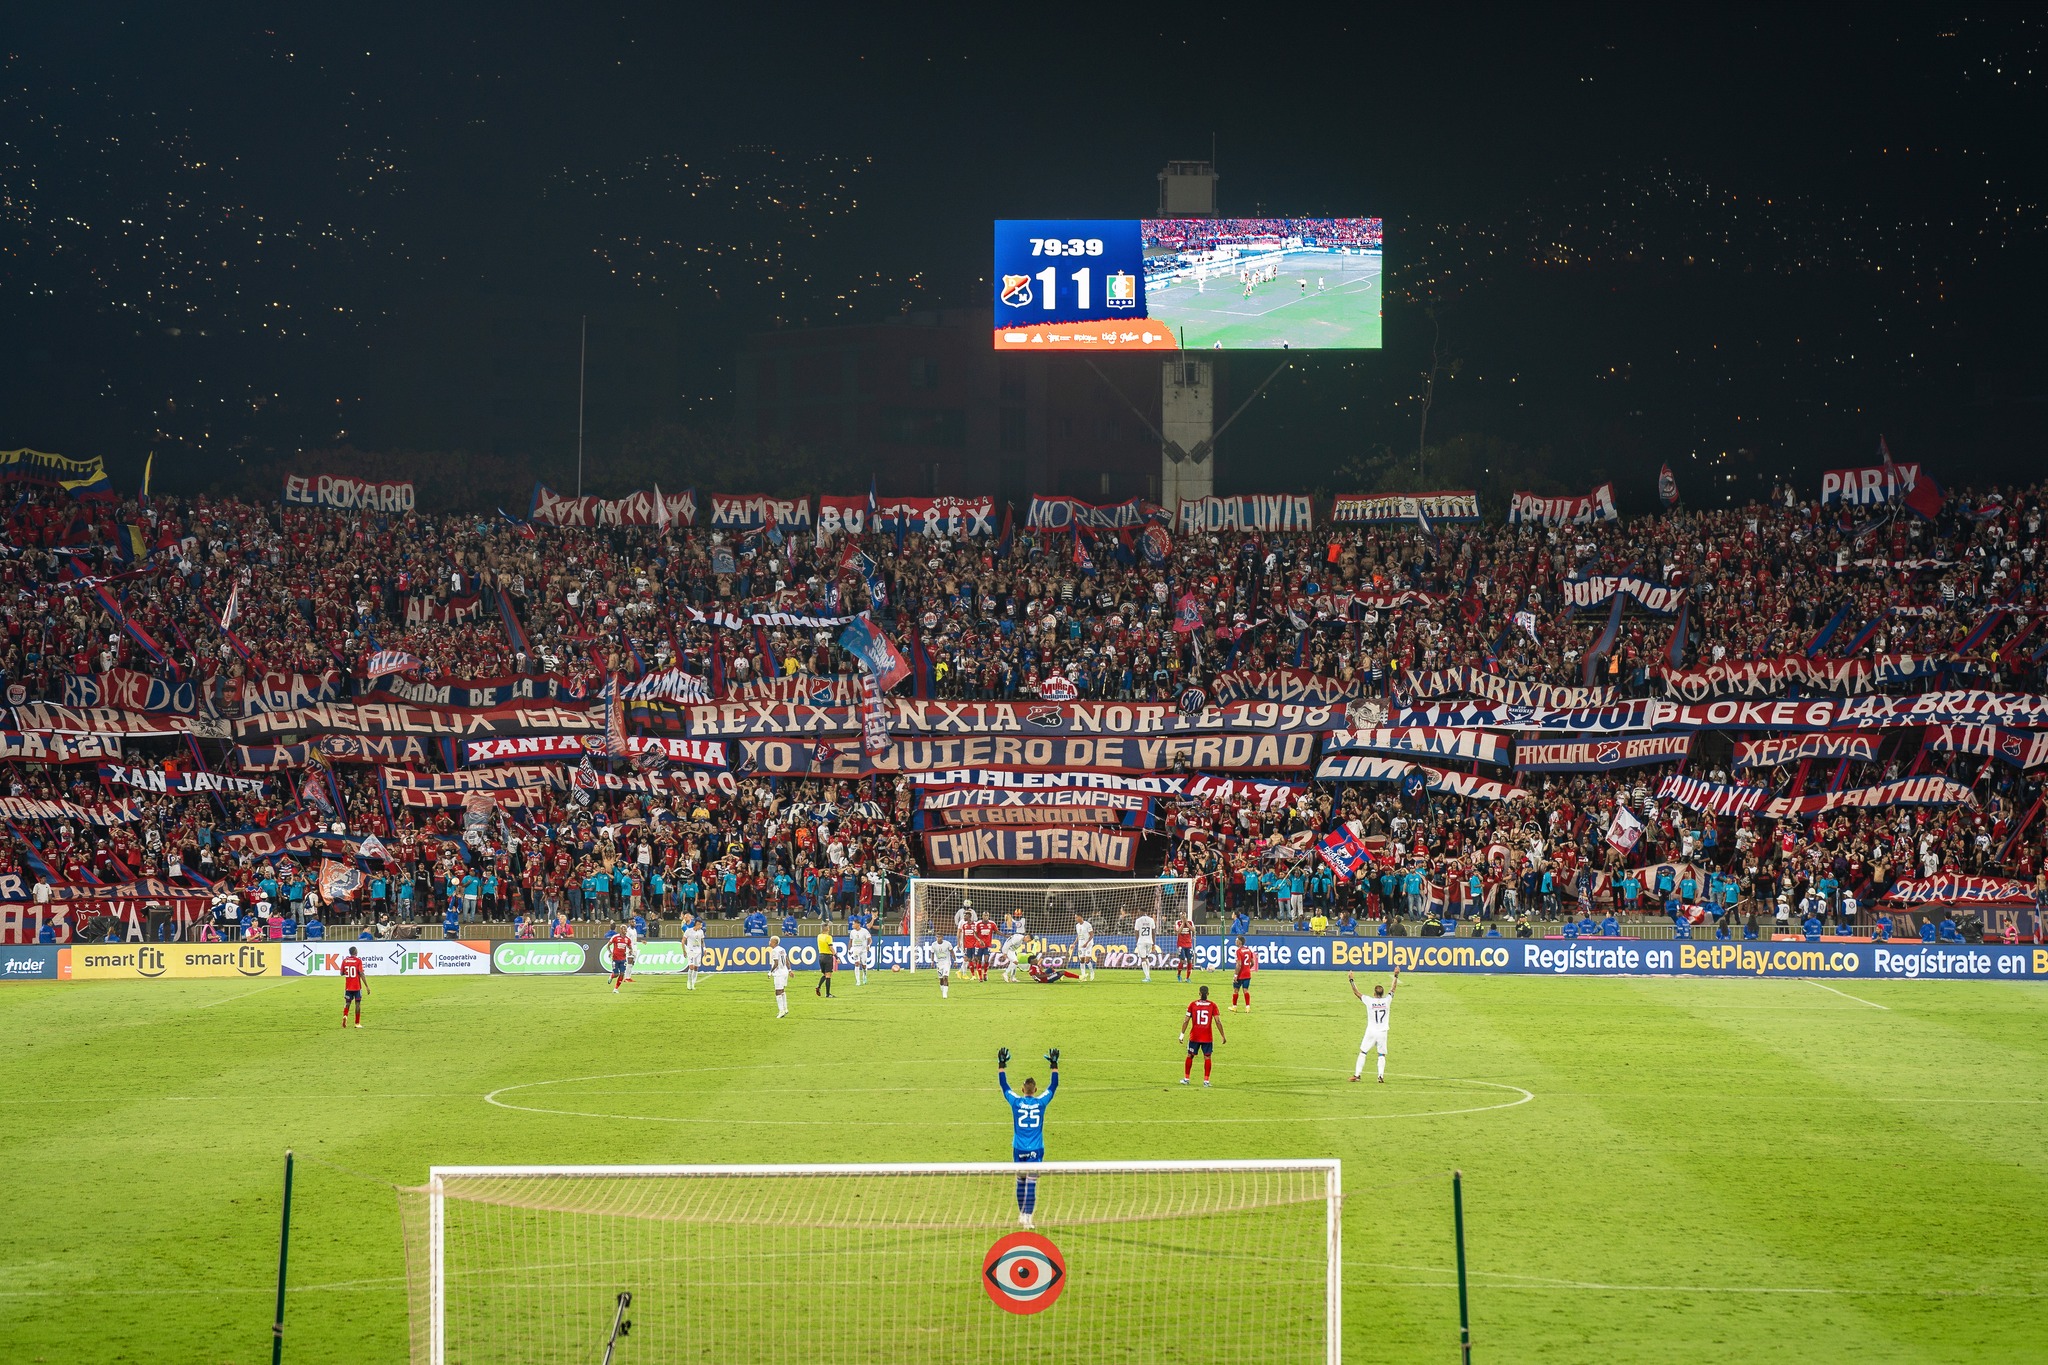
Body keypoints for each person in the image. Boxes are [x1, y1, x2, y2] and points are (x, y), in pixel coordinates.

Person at [997, 1045, 1058, 1229]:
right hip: (1036, 1149)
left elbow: (1004, 1086)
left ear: (1022, 1089)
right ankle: (1028, 1217)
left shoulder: (1015, 1101)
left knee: (1020, 1180)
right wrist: (1054, 1065)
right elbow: (1053, 1086)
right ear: (1035, 1089)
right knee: (1031, 1182)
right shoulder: (1041, 1102)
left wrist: (1002, 1064)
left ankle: (1021, 1214)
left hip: (1018, 1148)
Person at [1349, 967, 1399, 1083]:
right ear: (1382, 993)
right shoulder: (1387, 1001)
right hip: (1382, 1032)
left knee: (1363, 1052)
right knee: (1381, 1054)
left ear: (1374, 993)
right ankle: (1380, 1076)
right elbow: (1393, 989)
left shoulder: (1369, 1001)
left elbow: (1357, 993)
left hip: (1371, 1031)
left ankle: (1357, 1075)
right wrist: (1396, 976)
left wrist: (1351, 980)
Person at [1180, 984, 1225, 1087]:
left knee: (1190, 1056)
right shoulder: (1213, 1005)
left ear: (1199, 993)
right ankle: (1206, 1081)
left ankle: (1186, 1079)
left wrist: (1182, 1035)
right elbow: (1218, 1021)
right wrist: (1223, 1035)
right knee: (1207, 1058)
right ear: (1208, 994)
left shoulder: (1192, 1004)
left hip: (1194, 1036)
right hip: (1207, 1037)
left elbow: (1186, 1020)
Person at [1230, 935, 1258, 1011]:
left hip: (1240, 974)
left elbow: (1239, 964)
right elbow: (1252, 962)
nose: (1235, 941)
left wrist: (1236, 975)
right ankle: (1247, 1007)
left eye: (1236, 940)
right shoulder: (1248, 950)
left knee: (1236, 990)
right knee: (1245, 990)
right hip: (1247, 974)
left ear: (1240, 942)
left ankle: (1234, 1007)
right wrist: (1247, 968)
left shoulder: (1238, 951)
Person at [340, 946, 366, 1029]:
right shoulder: (358, 961)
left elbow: (341, 973)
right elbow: (361, 973)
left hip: (348, 986)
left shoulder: (345, 961)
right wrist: (367, 986)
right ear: (355, 952)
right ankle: (357, 1023)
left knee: (348, 1002)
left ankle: (345, 1015)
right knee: (357, 1004)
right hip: (357, 986)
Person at [605, 923, 634, 994]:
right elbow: (608, 945)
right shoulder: (615, 937)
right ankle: (612, 976)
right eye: (624, 929)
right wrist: (611, 953)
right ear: (621, 930)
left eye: (626, 929)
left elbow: (630, 948)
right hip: (615, 958)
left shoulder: (627, 940)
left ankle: (615, 989)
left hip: (623, 959)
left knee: (622, 974)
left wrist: (630, 951)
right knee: (616, 974)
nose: (625, 931)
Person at [769, 935, 790, 1018]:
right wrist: (790, 970)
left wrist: (770, 972)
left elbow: (776, 963)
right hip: (785, 972)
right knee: (782, 990)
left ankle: (781, 1011)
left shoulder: (774, 951)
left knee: (778, 992)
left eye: (770, 940)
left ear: (774, 942)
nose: (769, 942)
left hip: (779, 973)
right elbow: (787, 960)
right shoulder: (782, 949)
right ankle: (785, 1008)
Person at [683, 915, 706, 990]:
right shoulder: (688, 931)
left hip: (698, 951)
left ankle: (693, 984)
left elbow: (702, 941)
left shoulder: (701, 932)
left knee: (696, 968)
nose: (701, 926)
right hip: (691, 951)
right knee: (691, 967)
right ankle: (689, 982)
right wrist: (684, 951)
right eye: (700, 925)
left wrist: (704, 949)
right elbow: (683, 941)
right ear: (697, 924)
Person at [1134, 908, 1157, 982]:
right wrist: (1153, 943)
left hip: (1141, 941)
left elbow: (1136, 932)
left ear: (1141, 911)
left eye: (1139, 911)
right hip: (1149, 941)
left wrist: (1137, 941)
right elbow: (1153, 932)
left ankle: (1147, 977)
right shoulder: (1151, 920)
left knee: (1143, 959)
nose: (1138, 913)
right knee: (1146, 958)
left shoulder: (1138, 920)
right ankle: (1148, 975)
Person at [849, 917, 872, 986]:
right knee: (856, 963)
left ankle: (864, 977)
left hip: (863, 950)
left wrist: (869, 945)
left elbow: (870, 940)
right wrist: (849, 949)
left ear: (858, 924)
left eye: (853, 924)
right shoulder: (852, 932)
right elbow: (850, 941)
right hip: (855, 950)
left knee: (864, 965)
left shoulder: (864, 931)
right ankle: (858, 981)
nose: (852, 925)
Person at [1073, 913, 1096, 981]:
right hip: (1081, 945)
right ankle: (1083, 976)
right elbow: (1078, 935)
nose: (1075, 919)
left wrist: (1086, 943)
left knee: (1087, 960)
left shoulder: (1087, 924)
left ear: (1080, 917)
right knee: (1082, 960)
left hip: (1088, 944)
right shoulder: (1077, 926)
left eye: (1076, 917)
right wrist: (1074, 943)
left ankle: (1092, 972)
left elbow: (1091, 935)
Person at [814, 926, 836, 997]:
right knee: (828, 975)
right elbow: (830, 947)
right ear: (828, 929)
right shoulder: (829, 937)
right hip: (828, 957)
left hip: (821, 956)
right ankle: (827, 994)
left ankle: (819, 986)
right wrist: (836, 956)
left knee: (825, 974)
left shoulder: (819, 936)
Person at [1173, 915, 1195, 982]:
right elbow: (1178, 932)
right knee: (1182, 960)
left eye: (1184, 916)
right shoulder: (1178, 922)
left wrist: (1186, 923)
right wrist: (1183, 923)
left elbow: (1193, 930)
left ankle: (1187, 978)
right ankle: (1179, 975)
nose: (1183, 917)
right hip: (1181, 944)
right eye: (1182, 916)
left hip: (1188, 944)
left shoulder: (1190, 922)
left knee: (1189, 960)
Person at [932, 932, 953, 999]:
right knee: (941, 979)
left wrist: (955, 961)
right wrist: (932, 961)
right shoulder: (934, 944)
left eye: (940, 937)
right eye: (937, 937)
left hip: (946, 962)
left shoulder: (947, 944)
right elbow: (932, 953)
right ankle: (943, 990)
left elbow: (952, 952)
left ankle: (945, 994)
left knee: (945, 977)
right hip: (939, 963)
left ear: (942, 937)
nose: (939, 938)